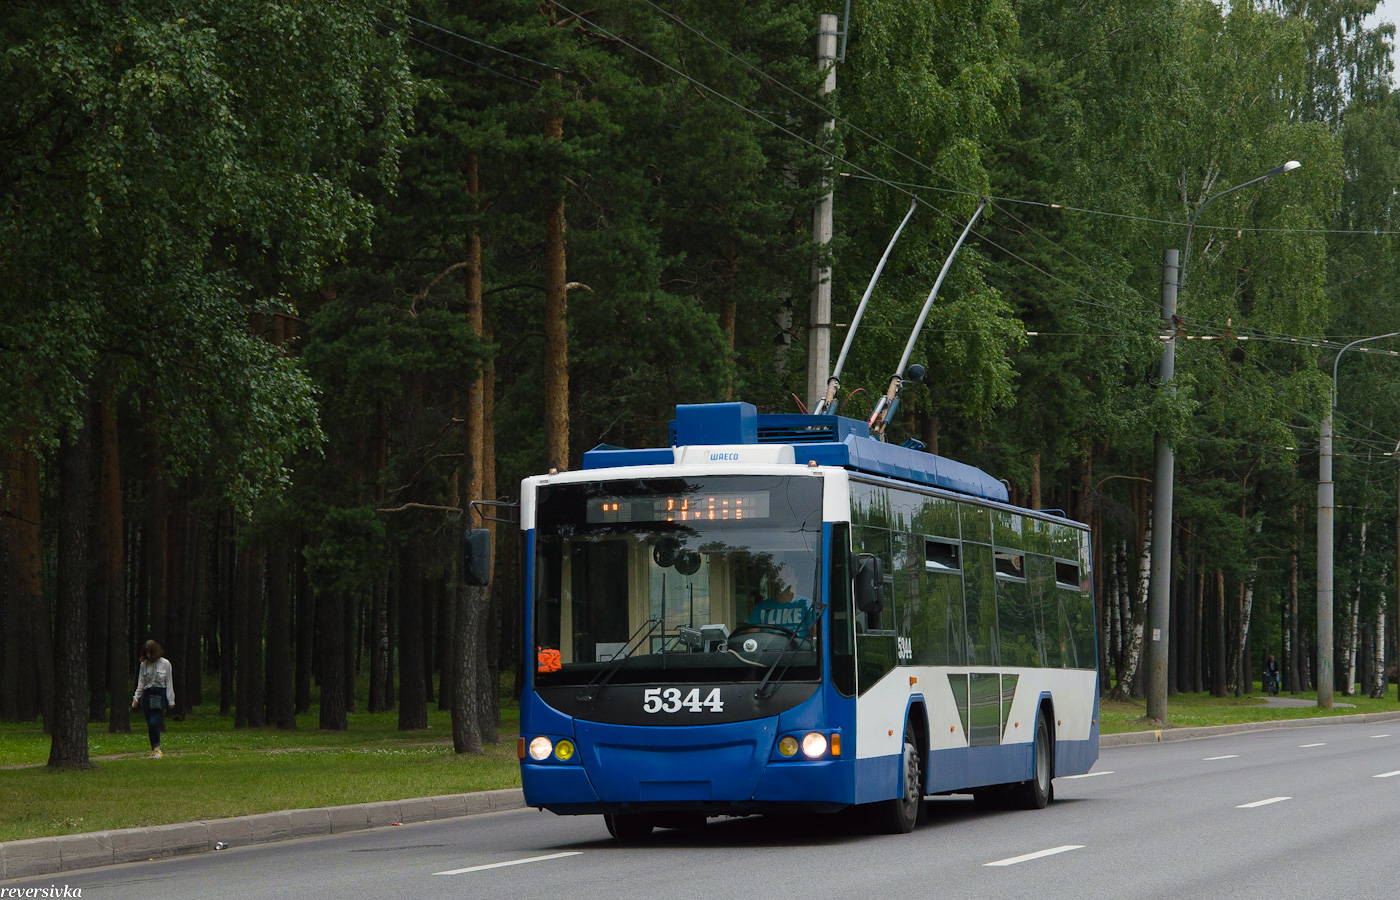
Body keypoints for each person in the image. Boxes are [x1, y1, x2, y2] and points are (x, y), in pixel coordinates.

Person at [131, 640, 174, 759]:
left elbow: (169, 683)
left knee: (153, 722)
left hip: (160, 694)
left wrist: (171, 700)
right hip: (148, 695)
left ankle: (157, 749)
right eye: (146, 653)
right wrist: (136, 697)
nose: (149, 656)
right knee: (149, 724)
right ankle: (154, 748)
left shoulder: (165, 664)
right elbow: (141, 681)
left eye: (150, 653)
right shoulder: (144, 665)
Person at [748, 563, 814, 638]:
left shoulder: (807, 605)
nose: (783, 578)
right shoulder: (761, 608)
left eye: (788, 575)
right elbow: (752, 638)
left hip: (798, 649)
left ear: (796, 580)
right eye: (779, 575)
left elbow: (815, 638)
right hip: (768, 648)